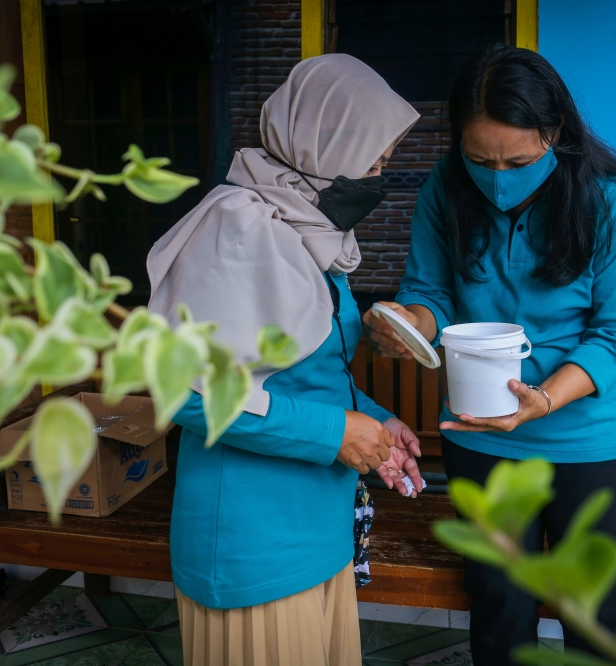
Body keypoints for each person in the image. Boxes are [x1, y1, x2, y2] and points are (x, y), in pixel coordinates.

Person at [363, 43, 616, 664]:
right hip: (482, 433)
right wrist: (408, 321)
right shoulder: (444, 189)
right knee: (498, 601)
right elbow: (431, 292)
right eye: (479, 159)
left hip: (595, 439)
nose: (497, 178)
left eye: (519, 160)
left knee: (595, 612)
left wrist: (544, 401)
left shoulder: (608, 200)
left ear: (556, 134)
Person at [146, 54, 424, 666]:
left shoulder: (308, 229)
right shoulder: (237, 229)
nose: (381, 171)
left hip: (315, 523)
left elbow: (310, 369)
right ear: (320, 141)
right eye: (371, 154)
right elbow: (190, 394)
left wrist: (375, 421)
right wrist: (338, 434)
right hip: (255, 540)